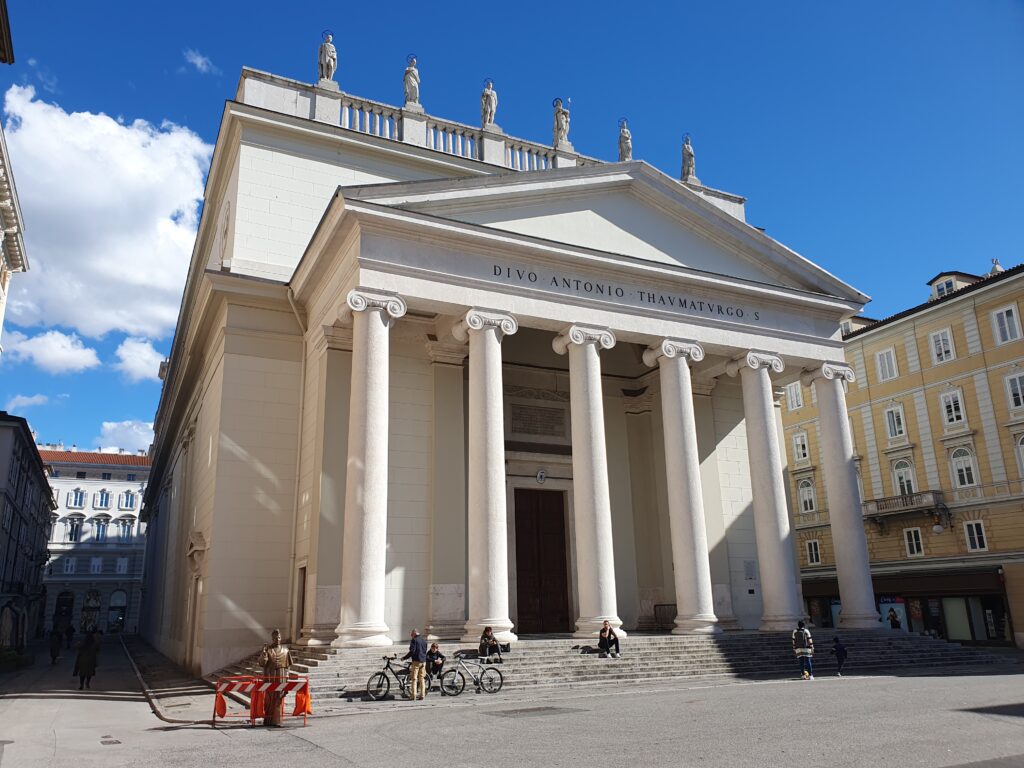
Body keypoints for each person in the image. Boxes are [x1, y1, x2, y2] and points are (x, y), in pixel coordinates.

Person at [258, 629, 293, 726]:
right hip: (270, 676)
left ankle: (277, 721)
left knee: (278, 699)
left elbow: (287, 667)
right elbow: (262, 663)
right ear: (272, 639)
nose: (277, 639)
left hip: (281, 677)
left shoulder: (286, 651)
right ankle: (268, 720)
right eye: (275, 638)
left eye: (279, 637)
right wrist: (264, 653)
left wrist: (287, 677)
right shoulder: (268, 650)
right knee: (269, 699)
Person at [401, 628, 428, 700]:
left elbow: (412, 651)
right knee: (422, 678)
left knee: (414, 678)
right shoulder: (423, 640)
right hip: (423, 661)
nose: (411, 635)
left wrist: (404, 657)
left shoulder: (414, 640)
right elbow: (425, 650)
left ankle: (413, 695)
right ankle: (422, 695)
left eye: (412, 634)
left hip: (416, 661)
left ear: (415, 633)